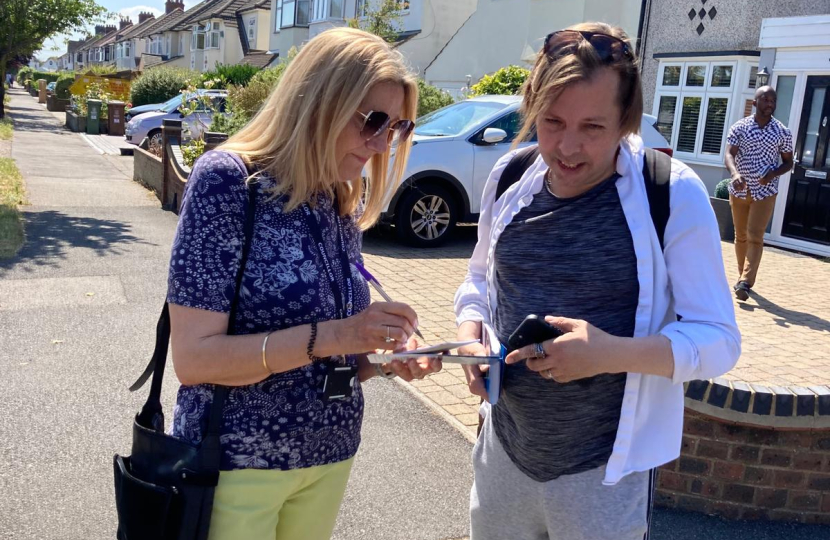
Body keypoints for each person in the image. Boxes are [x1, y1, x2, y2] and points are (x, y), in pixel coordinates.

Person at [453, 22, 741, 540]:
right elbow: (479, 277)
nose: (566, 147)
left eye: (593, 127)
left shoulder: (671, 194)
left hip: (604, 476)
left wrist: (608, 353)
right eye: (551, 121)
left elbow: (719, 341)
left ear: (626, 122)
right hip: (502, 454)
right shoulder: (510, 176)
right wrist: (472, 328)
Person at [166, 27, 441, 540]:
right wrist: (339, 335)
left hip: (329, 456)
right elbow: (195, 359)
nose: (383, 143)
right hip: (234, 463)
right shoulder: (228, 182)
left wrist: (382, 357)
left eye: (398, 127)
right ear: (318, 101)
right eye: (374, 120)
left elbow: (336, 360)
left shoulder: (342, 195)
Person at [724, 85, 793, 301]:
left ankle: (746, 281)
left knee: (755, 235)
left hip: (766, 191)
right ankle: (742, 277)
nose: (770, 104)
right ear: (754, 103)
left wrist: (772, 174)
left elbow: (788, 162)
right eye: (765, 100)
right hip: (740, 189)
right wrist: (735, 175)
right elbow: (729, 154)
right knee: (741, 235)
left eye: (773, 100)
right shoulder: (740, 127)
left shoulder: (782, 132)